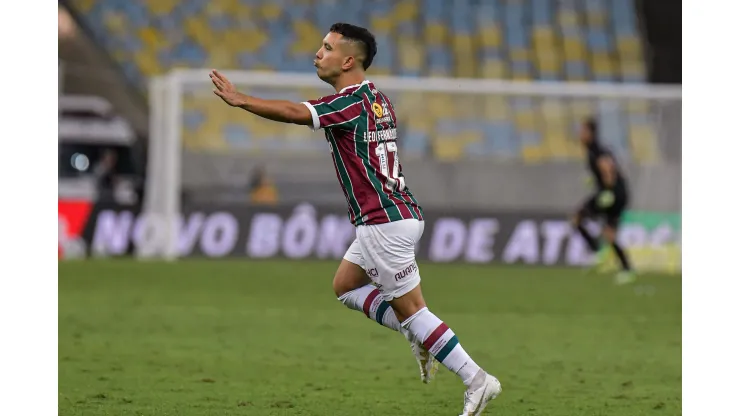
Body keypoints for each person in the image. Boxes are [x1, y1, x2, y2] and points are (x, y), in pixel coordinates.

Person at [210, 22, 501, 415]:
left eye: (327, 48)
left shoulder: (349, 103)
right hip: (398, 213)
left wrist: (241, 100)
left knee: (414, 310)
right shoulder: (378, 100)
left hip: (383, 221)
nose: (318, 53)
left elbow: (296, 112)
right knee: (346, 286)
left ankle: (476, 380)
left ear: (348, 60)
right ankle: (420, 335)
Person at [572, 117, 636, 285]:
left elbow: (607, 168)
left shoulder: (596, 149)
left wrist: (608, 189)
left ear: (590, 133)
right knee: (609, 234)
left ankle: (595, 250)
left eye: (582, 131)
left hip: (613, 194)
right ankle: (626, 269)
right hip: (614, 192)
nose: (580, 134)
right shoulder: (592, 149)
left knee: (578, 218)